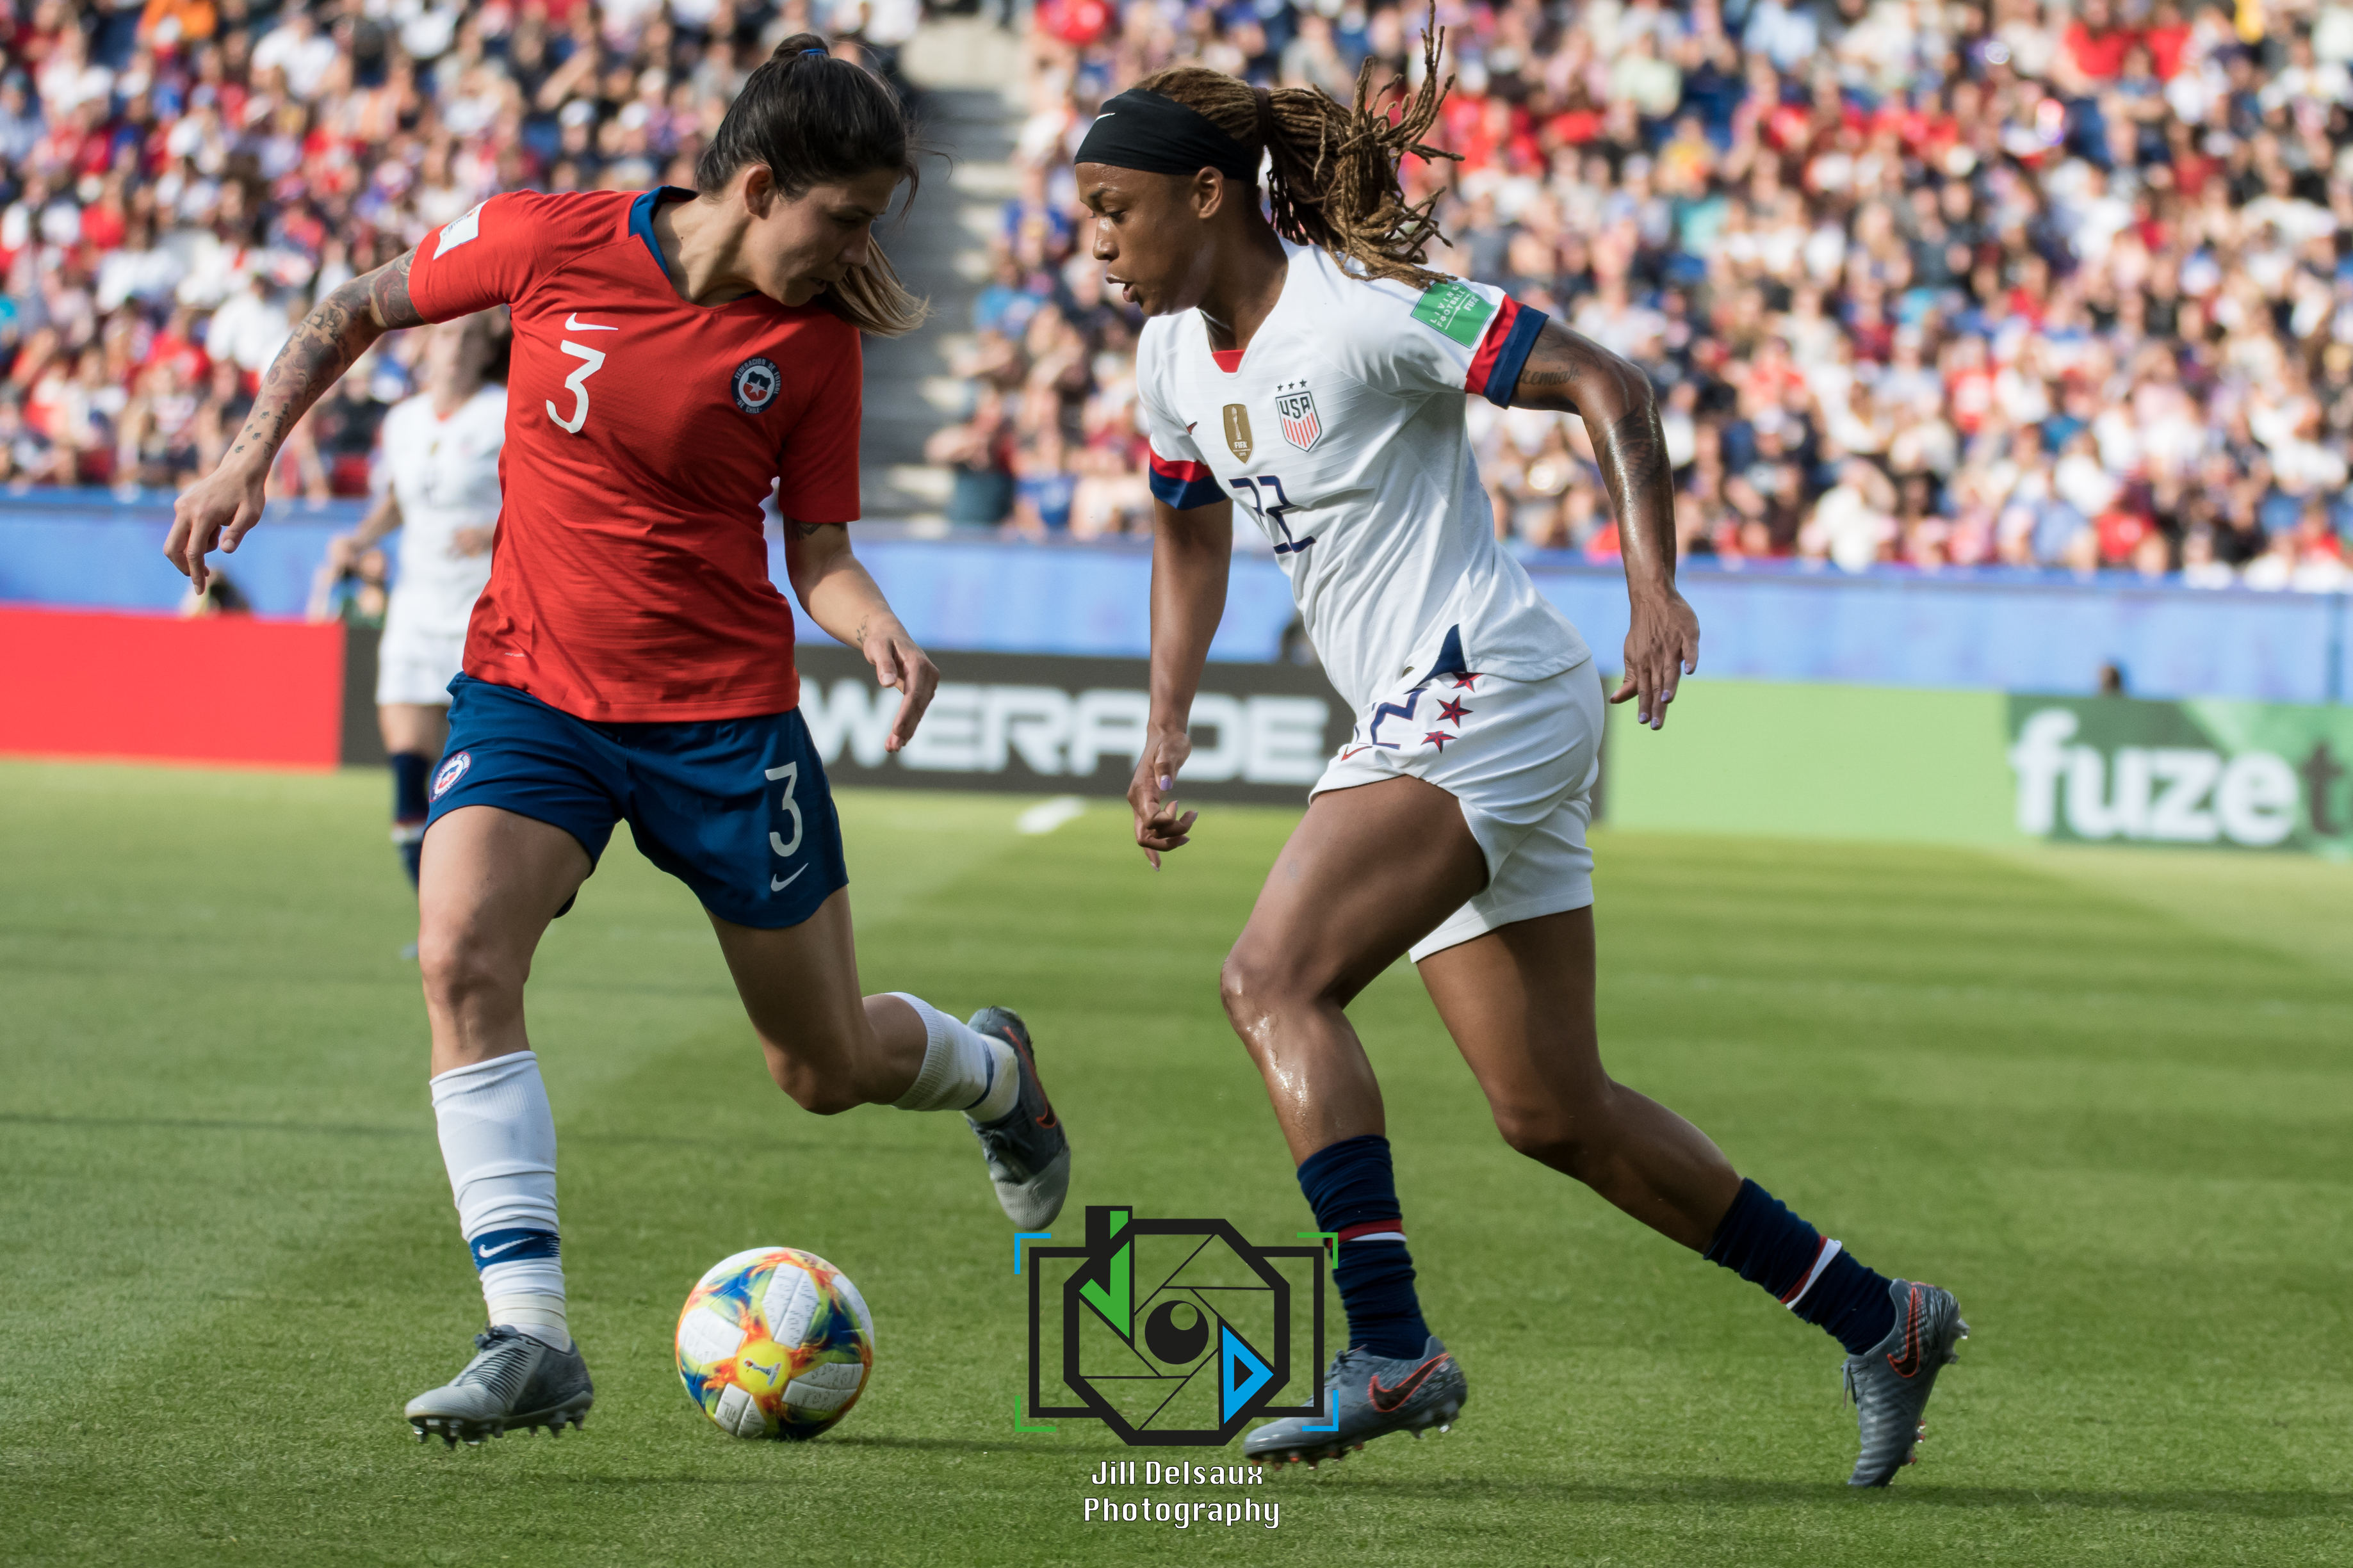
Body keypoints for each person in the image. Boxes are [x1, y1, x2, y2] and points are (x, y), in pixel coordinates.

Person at [1085, 24, 1964, 1488]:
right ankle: (1882, 1318)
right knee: (1549, 1109)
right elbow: (1188, 535)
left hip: (1483, 681)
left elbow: (1608, 383)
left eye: (1113, 209)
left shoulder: (1367, 307)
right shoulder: (1168, 360)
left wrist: (1650, 585)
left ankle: (1389, 1344)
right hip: (1431, 717)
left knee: (1270, 979)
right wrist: (1164, 718)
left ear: (1205, 195)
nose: (1096, 243)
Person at [163, 37, 1072, 1449]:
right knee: (458, 954)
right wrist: (248, 451)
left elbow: (818, 550)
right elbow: (353, 308)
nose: (856, 253)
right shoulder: (549, 241)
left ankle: (995, 1071)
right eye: (841, 220)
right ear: (758, 186)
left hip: (724, 727)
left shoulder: (813, 345)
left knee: (822, 1066)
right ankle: (529, 1335)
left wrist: (874, 624)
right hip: (532, 693)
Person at [321, 311, 510, 907]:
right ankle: (433, 912)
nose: (457, 347)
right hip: (416, 605)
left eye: (470, 338)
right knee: (407, 767)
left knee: (474, 775)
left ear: (486, 351)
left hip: (481, 609)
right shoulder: (404, 420)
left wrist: (496, 529)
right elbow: (401, 499)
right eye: (448, 334)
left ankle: (480, 905)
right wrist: (359, 539)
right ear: (427, 344)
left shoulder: (505, 412)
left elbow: (545, 496)